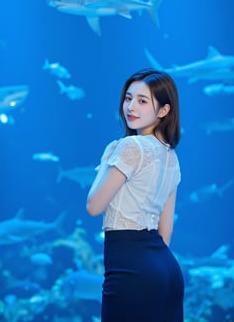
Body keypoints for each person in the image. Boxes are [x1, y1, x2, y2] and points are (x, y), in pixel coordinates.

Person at [86, 68, 184, 322]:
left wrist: (109, 155)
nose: (131, 106)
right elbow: (166, 233)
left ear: (163, 110)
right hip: (167, 270)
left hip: (130, 268)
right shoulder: (171, 157)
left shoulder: (129, 146)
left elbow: (94, 206)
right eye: (128, 98)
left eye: (142, 101)